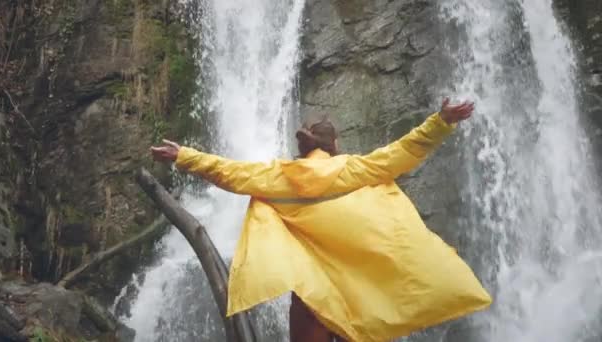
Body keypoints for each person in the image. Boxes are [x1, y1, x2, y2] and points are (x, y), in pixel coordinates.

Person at [151, 98, 492, 342]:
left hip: (313, 296)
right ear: (336, 144)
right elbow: (405, 150)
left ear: (305, 147)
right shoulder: (355, 168)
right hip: (361, 295)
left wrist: (184, 156)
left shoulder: (280, 176)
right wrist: (441, 121)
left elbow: (230, 172)